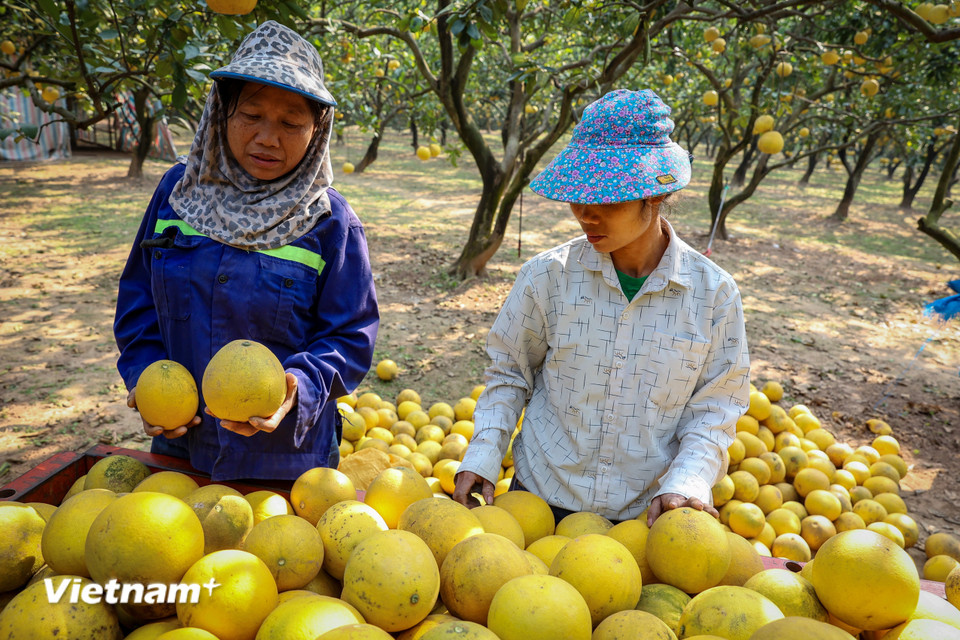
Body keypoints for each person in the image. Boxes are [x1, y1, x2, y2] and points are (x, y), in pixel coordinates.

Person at [452, 89, 750, 526]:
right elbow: (510, 373)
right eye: (578, 197)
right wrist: (483, 453)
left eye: (606, 200)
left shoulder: (713, 297)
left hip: (643, 516)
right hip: (538, 501)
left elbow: (715, 411)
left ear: (653, 197)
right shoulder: (546, 278)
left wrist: (687, 481)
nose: (586, 215)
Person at [113, 21, 378, 481]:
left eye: (291, 123)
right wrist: (145, 376)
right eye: (251, 115)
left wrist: (299, 386)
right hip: (182, 446)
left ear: (317, 130)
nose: (268, 138)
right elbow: (139, 301)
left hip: (285, 460)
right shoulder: (178, 195)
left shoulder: (329, 222)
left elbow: (350, 336)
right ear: (222, 111)